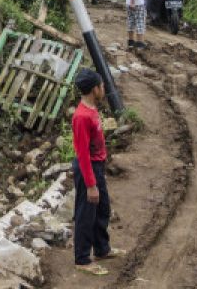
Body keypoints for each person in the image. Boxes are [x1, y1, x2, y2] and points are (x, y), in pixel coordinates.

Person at [71, 68, 124, 275]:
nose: (104, 88)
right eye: (102, 86)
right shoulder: (81, 117)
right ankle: (82, 259)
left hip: (97, 167)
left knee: (102, 208)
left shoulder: (92, 109)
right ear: (95, 89)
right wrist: (91, 184)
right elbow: (82, 153)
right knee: (86, 213)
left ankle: (102, 249)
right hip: (88, 168)